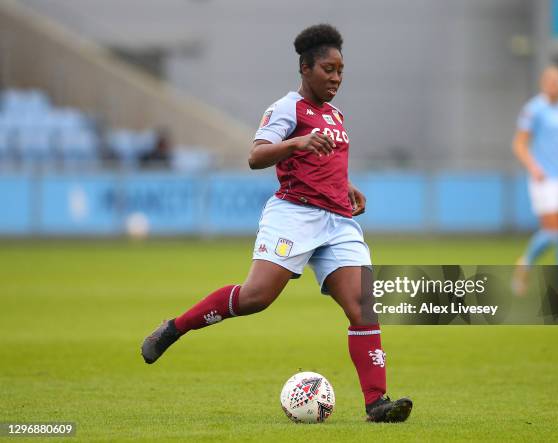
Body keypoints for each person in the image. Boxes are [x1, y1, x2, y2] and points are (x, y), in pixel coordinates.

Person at [141, 24, 412, 423]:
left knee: (362, 307)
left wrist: (347, 187)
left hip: (338, 221)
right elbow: (256, 156)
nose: (336, 77)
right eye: (328, 69)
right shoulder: (287, 108)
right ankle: (175, 328)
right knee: (256, 298)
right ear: (305, 69)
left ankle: (377, 403)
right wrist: (296, 142)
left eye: (340, 70)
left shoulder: (336, 114)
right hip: (294, 214)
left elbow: (324, 163)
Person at [513, 65, 558, 294]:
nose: (555, 85)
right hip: (545, 178)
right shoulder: (534, 109)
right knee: (552, 232)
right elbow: (519, 144)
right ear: (544, 83)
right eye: (551, 81)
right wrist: (534, 167)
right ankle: (526, 261)